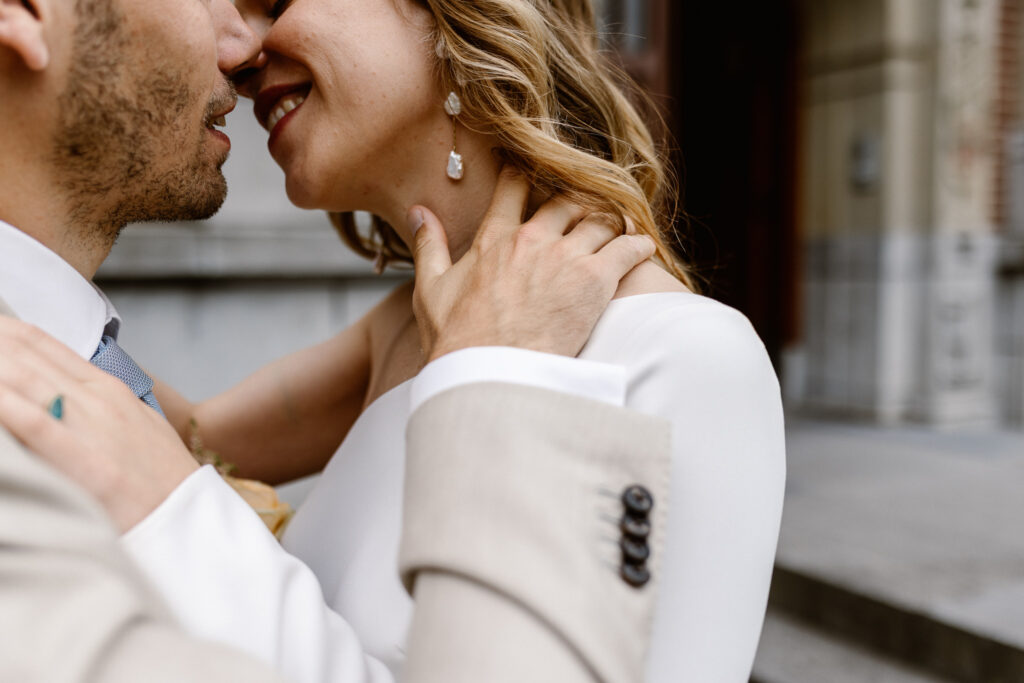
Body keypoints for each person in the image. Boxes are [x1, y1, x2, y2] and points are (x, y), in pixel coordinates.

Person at [67, 0, 786, 681]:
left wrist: (489, 372)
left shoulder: (686, 353)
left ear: (450, 17)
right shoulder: (402, 330)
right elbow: (186, 434)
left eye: (283, 1)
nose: (248, 53)